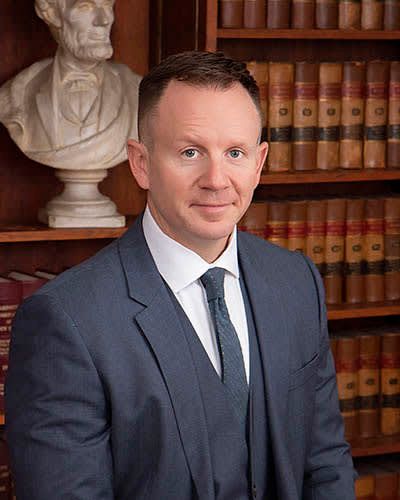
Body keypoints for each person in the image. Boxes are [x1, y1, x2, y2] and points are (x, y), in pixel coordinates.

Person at [5, 51, 356, 499]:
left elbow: (326, 465)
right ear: (141, 163)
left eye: (235, 153)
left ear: (259, 162)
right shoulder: (65, 320)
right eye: (190, 152)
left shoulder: (295, 282)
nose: (216, 178)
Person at [0, 0, 140, 170]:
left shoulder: (137, 91)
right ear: (52, 15)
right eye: (85, 7)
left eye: (106, 6)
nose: (103, 20)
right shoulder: (16, 95)